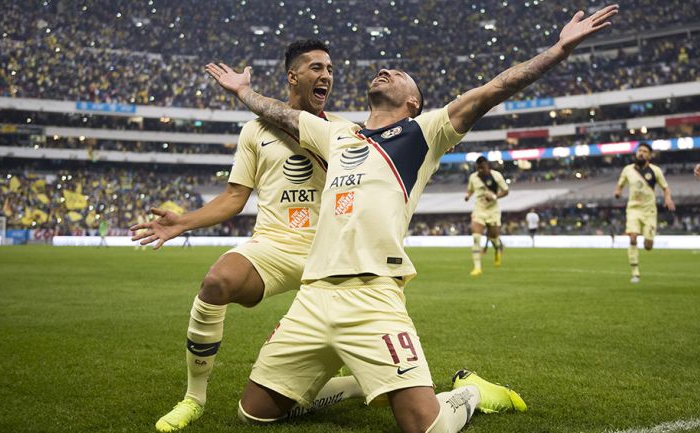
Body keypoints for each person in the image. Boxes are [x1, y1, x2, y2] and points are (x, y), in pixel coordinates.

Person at [207, 5, 617, 432]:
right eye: (384, 69)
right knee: (253, 413)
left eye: (399, 73)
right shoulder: (338, 134)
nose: (386, 70)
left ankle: (472, 390)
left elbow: (495, 88)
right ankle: (352, 385)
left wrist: (559, 49)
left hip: (372, 296)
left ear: (412, 102)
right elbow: (281, 114)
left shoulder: (426, 133)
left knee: (426, 427)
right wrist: (241, 91)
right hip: (312, 296)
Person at [131, 40, 361, 431]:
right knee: (216, 283)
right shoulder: (255, 131)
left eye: (331, 69)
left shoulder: (343, 130)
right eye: (317, 68)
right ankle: (193, 398)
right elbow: (235, 197)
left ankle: (356, 386)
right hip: (274, 244)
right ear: (293, 76)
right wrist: (182, 222)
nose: (327, 76)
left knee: (374, 370)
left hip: (330, 254)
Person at [614, 142, 675, 283]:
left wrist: (668, 198)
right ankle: (635, 272)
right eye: (639, 150)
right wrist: (618, 191)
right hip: (633, 209)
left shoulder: (655, 170)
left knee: (648, 245)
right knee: (633, 237)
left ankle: (648, 239)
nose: (641, 153)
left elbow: (665, 187)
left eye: (645, 151)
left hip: (649, 211)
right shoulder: (628, 170)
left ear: (649, 155)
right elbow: (621, 183)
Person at [465, 157, 509, 275]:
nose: (480, 170)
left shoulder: (496, 176)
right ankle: (477, 268)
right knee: (476, 237)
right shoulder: (473, 177)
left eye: (482, 167)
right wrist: (468, 196)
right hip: (479, 209)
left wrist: (494, 197)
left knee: (494, 237)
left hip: (493, 210)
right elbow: (470, 190)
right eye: (478, 168)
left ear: (487, 165)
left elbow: (506, 191)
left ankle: (498, 248)